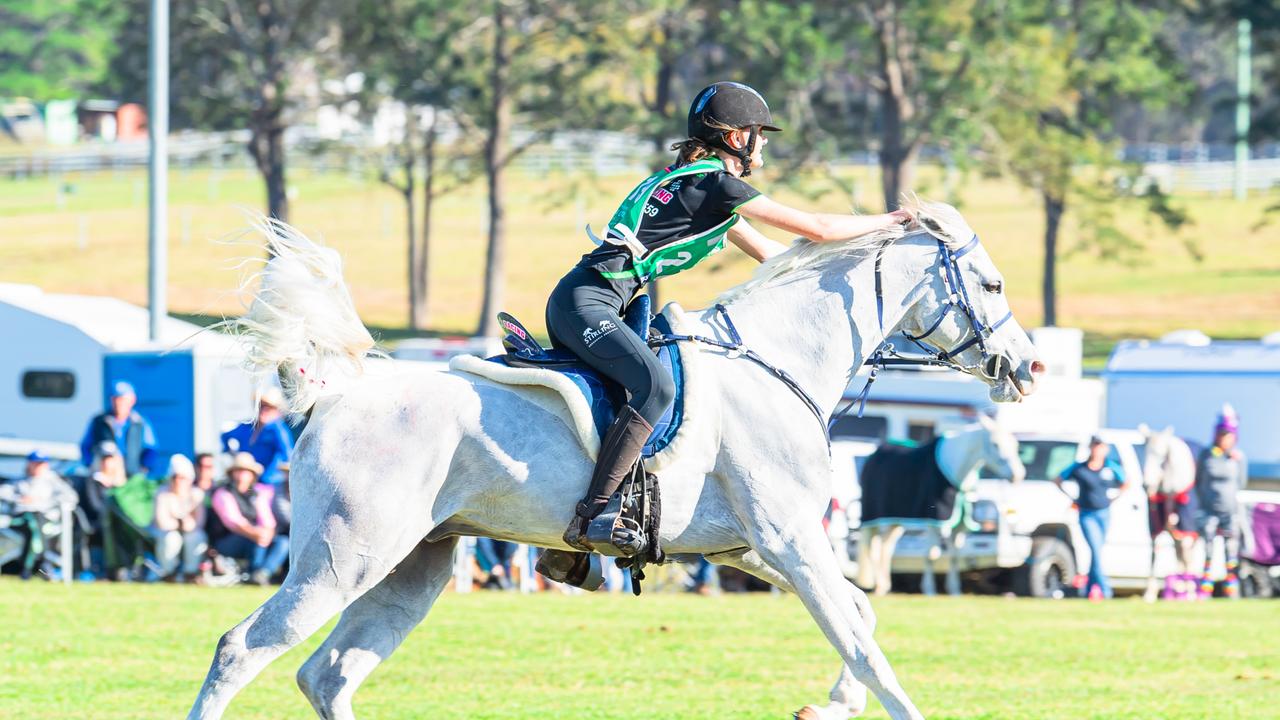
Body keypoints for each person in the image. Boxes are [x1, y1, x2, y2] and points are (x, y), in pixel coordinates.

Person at [548, 81, 913, 552]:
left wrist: (847, 301)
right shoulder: (715, 184)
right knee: (658, 388)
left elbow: (776, 259)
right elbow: (820, 229)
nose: (764, 143)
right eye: (759, 133)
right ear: (737, 138)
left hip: (598, 300)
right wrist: (892, 222)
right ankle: (593, 516)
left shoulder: (700, 190)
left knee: (635, 397)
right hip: (589, 301)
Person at [1055, 436, 1128, 600]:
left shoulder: (1110, 467)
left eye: (1100, 446)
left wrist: (1114, 498)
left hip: (1104, 513)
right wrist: (1072, 499)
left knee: (1097, 553)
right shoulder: (1079, 467)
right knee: (1095, 549)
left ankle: (1088, 589)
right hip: (1086, 514)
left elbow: (1126, 482)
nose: (1097, 449)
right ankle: (1105, 590)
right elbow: (1058, 479)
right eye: (1095, 446)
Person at [209, 452, 289, 585]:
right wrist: (256, 533)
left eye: (246, 472)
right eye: (239, 471)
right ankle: (253, 572)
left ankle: (262, 573)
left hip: (254, 536)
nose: (242, 475)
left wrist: (267, 531)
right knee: (258, 540)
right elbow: (233, 522)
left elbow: (266, 518)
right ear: (232, 473)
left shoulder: (256, 493)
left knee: (283, 542)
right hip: (227, 540)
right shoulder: (223, 493)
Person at [1195, 404, 1248, 598]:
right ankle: (1205, 587)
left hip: (1230, 510)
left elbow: (1241, 483)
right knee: (1208, 548)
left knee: (1231, 549)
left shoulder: (1238, 458)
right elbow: (1198, 481)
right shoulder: (1206, 455)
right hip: (1209, 509)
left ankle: (1231, 588)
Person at [0, 451, 78, 580]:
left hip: (44, 518)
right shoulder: (19, 481)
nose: (37, 467)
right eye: (35, 463)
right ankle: (42, 563)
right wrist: (19, 499)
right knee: (32, 522)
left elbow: (71, 497)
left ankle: (28, 568)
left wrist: (42, 501)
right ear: (29, 464)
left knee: (35, 523)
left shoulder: (53, 481)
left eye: (41, 464)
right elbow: (3, 492)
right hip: (21, 519)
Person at [79, 381, 158, 478]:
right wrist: (90, 465)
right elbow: (85, 446)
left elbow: (150, 450)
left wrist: (144, 469)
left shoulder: (140, 423)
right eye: (115, 399)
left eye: (122, 399)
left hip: (132, 477)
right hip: (105, 478)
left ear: (132, 400)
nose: (118, 403)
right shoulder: (99, 421)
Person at [220, 387, 294, 487]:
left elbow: (288, 456)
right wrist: (232, 453)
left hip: (269, 483)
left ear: (277, 411)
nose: (264, 409)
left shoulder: (277, 429)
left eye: (269, 406)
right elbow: (226, 435)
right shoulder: (247, 426)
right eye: (261, 405)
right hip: (245, 481)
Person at [150, 454, 207, 582]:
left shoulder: (197, 494)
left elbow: (199, 522)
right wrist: (182, 523)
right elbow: (162, 522)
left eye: (182, 478)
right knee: (171, 538)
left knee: (196, 537)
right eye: (175, 477)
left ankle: (190, 573)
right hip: (165, 533)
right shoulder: (162, 493)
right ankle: (169, 573)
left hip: (189, 532)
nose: (178, 481)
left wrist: (185, 524)